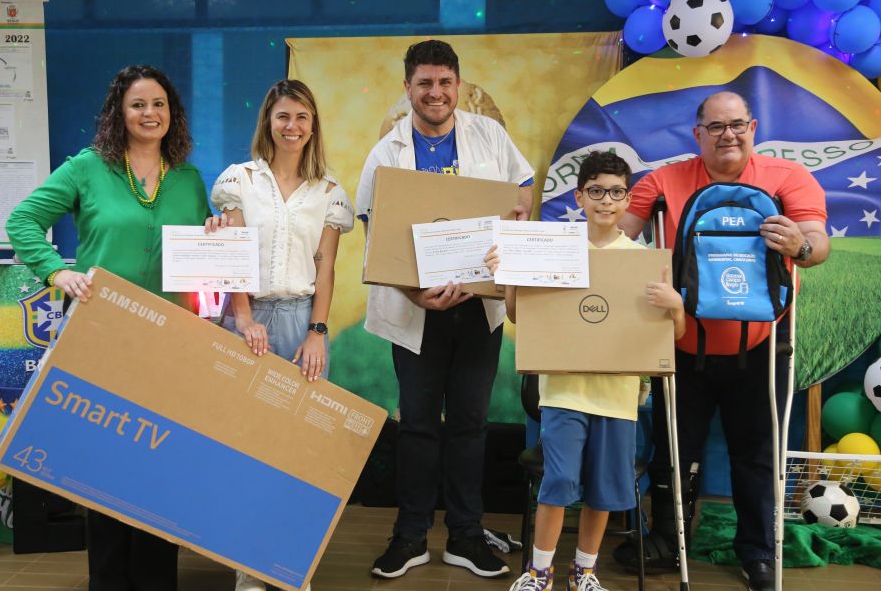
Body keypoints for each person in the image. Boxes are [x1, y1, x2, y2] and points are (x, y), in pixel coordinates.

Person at [6, 65, 215, 591]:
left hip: (170, 342)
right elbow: (22, 221)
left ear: (174, 114)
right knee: (107, 470)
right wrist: (58, 270)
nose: (151, 114)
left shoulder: (188, 178)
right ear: (119, 114)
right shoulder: (87, 169)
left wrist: (216, 233)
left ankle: (155, 581)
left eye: (160, 104)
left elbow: (204, 257)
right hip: (103, 340)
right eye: (139, 104)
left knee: (158, 467)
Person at [614, 91, 829, 591]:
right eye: (716, 127)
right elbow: (616, 236)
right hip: (683, 345)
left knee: (756, 452)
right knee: (673, 449)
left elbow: (817, 242)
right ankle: (670, 539)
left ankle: (756, 552)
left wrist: (799, 243)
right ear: (698, 134)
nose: (728, 134)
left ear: (753, 127)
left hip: (760, 345)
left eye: (737, 125)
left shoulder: (787, 180)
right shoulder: (664, 182)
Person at [355, 39, 535, 580]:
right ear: (407, 88)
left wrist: (513, 226)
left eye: (444, 82)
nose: (435, 93)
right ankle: (409, 536)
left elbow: (523, 193)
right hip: (416, 309)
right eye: (424, 83)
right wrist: (415, 292)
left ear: (458, 85)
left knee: (470, 424)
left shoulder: (489, 136)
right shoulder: (387, 152)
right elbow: (375, 230)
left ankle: (463, 535)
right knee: (416, 425)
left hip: (478, 309)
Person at [485, 152, 686, 591]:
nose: (606, 200)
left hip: (618, 396)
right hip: (563, 393)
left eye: (616, 192)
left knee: (604, 488)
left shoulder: (642, 258)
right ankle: (539, 572)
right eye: (596, 191)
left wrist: (677, 307)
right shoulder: (555, 249)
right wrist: (510, 280)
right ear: (580, 196)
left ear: (628, 198)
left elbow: (670, 335)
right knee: (557, 482)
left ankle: (584, 572)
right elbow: (522, 317)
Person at [210, 79, 354, 591]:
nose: (292, 127)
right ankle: (249, 572)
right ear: (268, 122)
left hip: (301, 323)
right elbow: (232, 251)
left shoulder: (330, 192)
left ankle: (293, 568)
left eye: (302, 118)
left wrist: (317, 331)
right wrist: (244, 318)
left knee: (300, 450)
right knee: (246, 447)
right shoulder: (238, 180)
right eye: (283, 117)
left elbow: (328, 265)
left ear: (313, 126)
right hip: (245, 322)